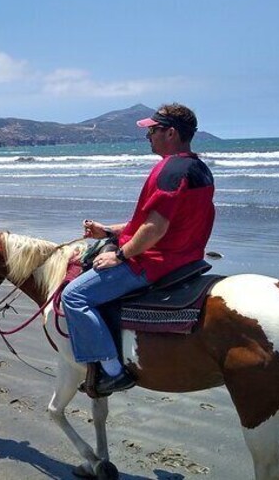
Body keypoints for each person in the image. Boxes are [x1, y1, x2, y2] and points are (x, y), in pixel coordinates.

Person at [61, 103, 215, 395]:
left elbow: (154, 230)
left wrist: (119, 255)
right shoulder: (199, 169)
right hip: (187, 258)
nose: (149, 136)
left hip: (155, 261)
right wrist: (107, 231)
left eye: (153, 130)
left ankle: (112, 371)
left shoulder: (169, 170)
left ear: (171, 132)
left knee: (74, 295)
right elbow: (150, 222)